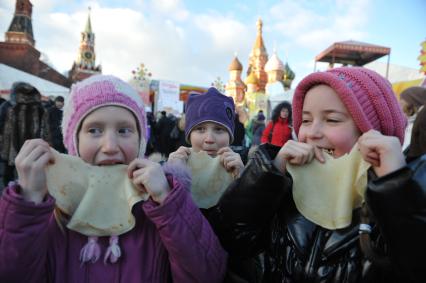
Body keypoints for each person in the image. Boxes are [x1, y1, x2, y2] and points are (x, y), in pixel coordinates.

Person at [0, 75, 227, 282]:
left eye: (124, 130)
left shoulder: (158, 208)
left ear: (140, 140)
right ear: (74, 140)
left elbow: (207, 274)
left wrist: (169, 202)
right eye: (94, 130)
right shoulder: (48, 209)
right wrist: (27, 203)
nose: (110, 146)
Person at [210, 67, 426, 282]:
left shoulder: (391, 201)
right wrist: (268, 173)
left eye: (332, 120)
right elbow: (232, 239)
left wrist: (396, 190)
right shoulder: (285, 186)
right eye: (305, 120)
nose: (312, 133)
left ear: (372, 133)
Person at [168, 88, 255, 282]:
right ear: (189, 134)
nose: (209, 139)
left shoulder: (236, 165)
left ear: (230, 135)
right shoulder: (178, 163)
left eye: (219, 129)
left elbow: (248, 227)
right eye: (200, 129)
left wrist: (243, 179)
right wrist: (172, 174)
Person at [0, 82, 51, 186]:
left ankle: (10, 192)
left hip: (12, 147)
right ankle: (27, 191)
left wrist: (4, 150)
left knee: (9, 173)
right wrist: (47, 148)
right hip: (33, 149)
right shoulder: (41, 110)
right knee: (31, 172)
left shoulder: (10, 108)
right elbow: (45, 133)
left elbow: (5, 130)